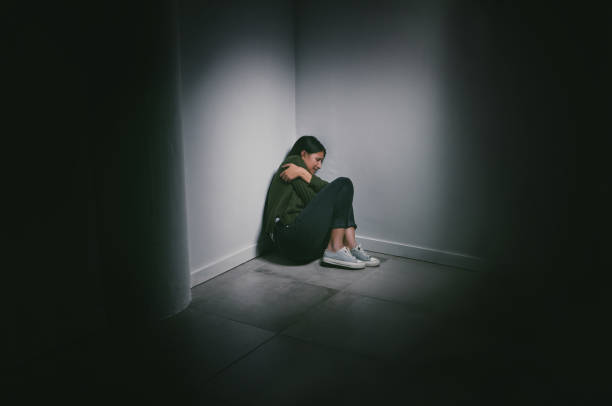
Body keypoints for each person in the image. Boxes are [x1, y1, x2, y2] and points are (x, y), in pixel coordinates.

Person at [262, 135, 380, 269]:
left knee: (342, 194)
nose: (319, 166)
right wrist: (302, 172)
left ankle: (350, 246)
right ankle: (337, 248)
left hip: (301, 248)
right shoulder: (293, 164)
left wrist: (303, 173)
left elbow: (327, 198)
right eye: (317, 160)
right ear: (303, 154)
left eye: (321, 161)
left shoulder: (299, 171)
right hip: (289, 238)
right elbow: (313, 199)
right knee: (344, 184)